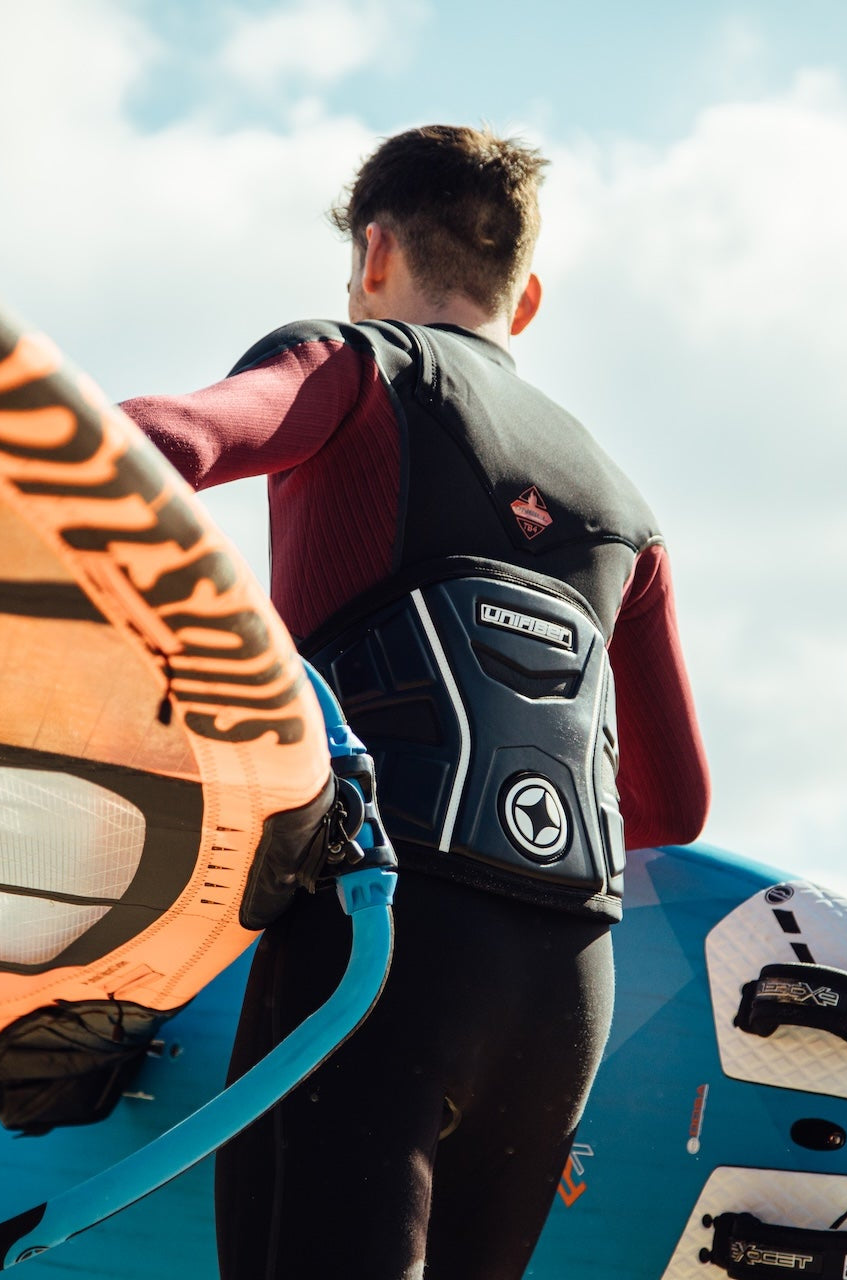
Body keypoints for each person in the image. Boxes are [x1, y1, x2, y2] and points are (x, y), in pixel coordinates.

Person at [122, 124, 710, 1280]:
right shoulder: (627, 511)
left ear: (374, 253)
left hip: (374, 942)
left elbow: (163, 443)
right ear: (525, 297)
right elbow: (674, 800)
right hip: (563, 984)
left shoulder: (358, 363)